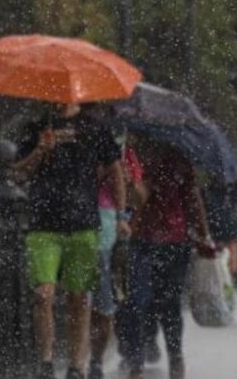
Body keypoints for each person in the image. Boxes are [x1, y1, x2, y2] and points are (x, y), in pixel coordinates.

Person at [13, 103, 125, 379]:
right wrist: (41, 149)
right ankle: (46, 362)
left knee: (79, 297)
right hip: (43, 226)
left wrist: (122, 215)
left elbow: (115, 171)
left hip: (83, 225)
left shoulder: (95, 128)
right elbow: (18, 173)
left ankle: (76, 366)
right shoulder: (36, 127)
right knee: (43, 294)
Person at [121, 144, 212, 379]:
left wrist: (203, 234)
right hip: (148, 238)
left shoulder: (174, 160)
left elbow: (192, 197)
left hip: (170, 240)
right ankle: (142, 359)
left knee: (162, 302)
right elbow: (140, 199)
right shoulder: (137, 157)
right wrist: (133, 180)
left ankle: (168, 356)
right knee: (144, 301)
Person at [89, 141, 146, 379]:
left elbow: (140, 198)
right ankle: (91, 358)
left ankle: (103, 358)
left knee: (112, 300)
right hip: (81, 220)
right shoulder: (77, 143)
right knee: (88, 298)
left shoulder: (125, 153)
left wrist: (126, 179)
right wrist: (105, 172)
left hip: (110, 228)